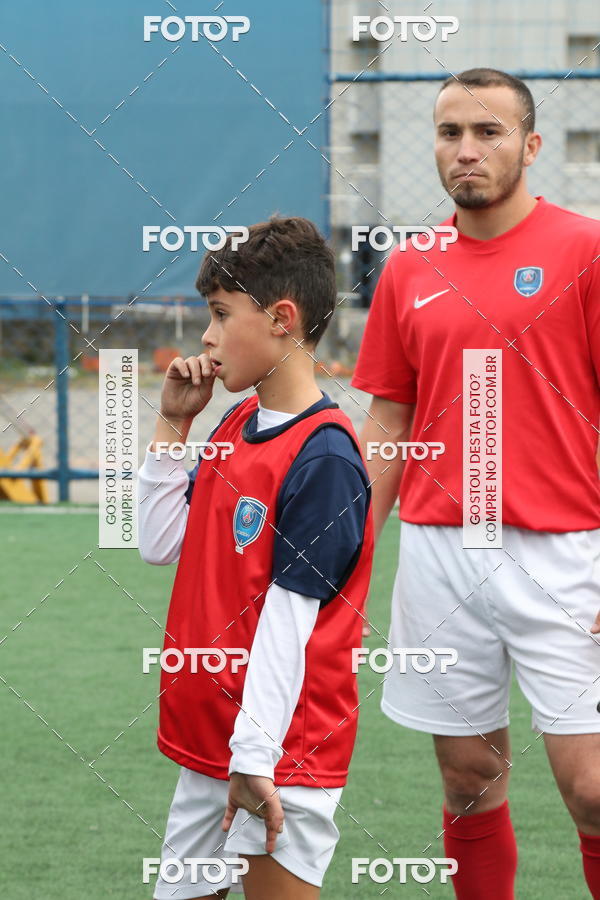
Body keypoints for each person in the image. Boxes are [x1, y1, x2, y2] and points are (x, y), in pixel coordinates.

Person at [351, 68, 600, 899]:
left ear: (531, 146)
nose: (466, 150)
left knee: (593, 789)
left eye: (488, 132)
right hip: (439, 553)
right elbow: (387, 423)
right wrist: (350, 565)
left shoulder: (585, 250)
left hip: (567, 553)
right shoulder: (408, 267)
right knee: (466, 778)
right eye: (450, 132)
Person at [137, 215, 374, 900]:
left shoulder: (325, 457)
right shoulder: (237, 422)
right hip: (213, 743)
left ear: (281, 318)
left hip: (277, 755)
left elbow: (287, 625)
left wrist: (252, 758)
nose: (205, 337)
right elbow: (159, 544)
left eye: (218, 314)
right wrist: (173, 426)